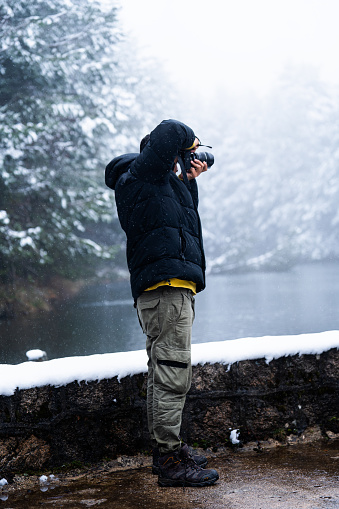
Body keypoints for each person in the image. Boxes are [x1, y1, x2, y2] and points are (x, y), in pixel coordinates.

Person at [105, 119, 219, 487]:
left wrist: (189, 181)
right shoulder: (136, 180)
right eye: (174, 159)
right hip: (164, 291)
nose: (177, 164)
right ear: (155, 155)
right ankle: (169, 460)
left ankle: (168, 450)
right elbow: (170, 128)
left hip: (175, 289)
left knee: (165, 371)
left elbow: (184, 223)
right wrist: (192, 139)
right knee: (172, 373)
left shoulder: (159, 189)